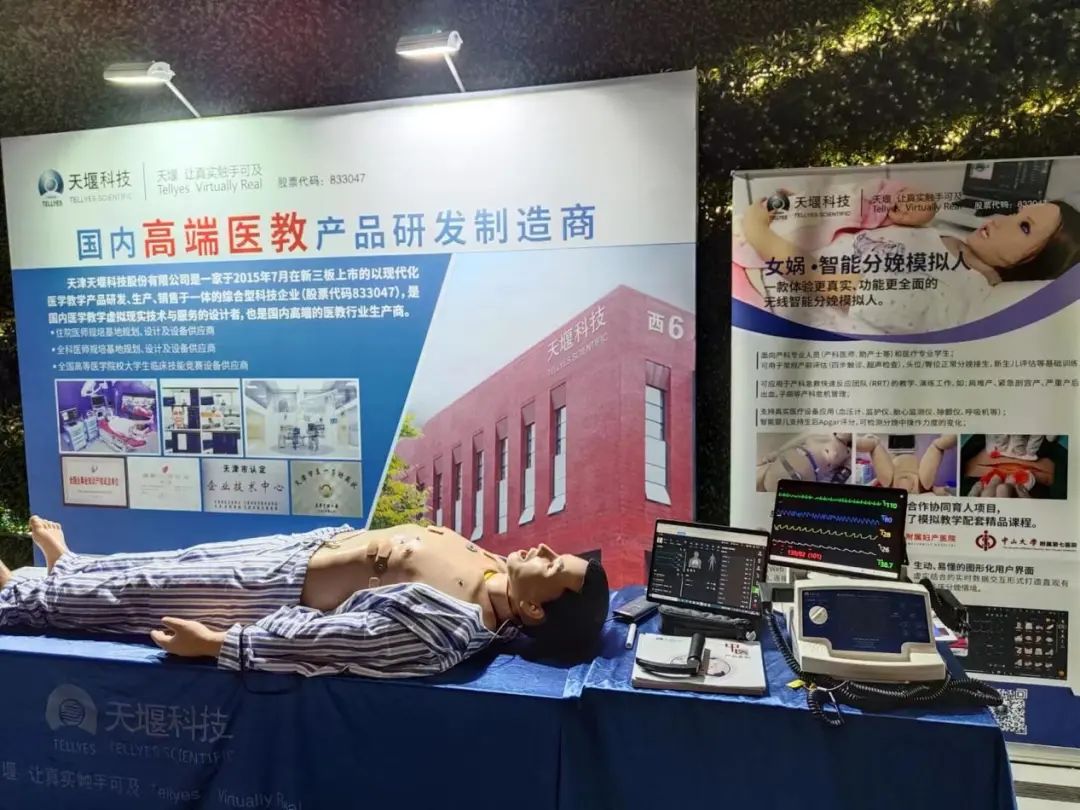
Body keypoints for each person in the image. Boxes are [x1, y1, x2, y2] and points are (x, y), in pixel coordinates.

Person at [0, 518, 610, 678]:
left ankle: (21, 592)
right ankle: (71, 567)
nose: (544, 548)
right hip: (295, 552)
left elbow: (336, 644)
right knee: (167, 562)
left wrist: (220, 644)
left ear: (535, 610)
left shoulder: (448, 628)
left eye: (555, 566)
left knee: (139, 592)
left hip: (264, 594)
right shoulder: (494, 565)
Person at [741, 194, 1080, 334]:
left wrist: (756, 232)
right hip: (772, 263)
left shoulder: (950, 299)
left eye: (1024, 227)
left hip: (765, 297)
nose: (1002, 219)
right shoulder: (955, 240)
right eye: (1018, 212)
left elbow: (825, 283)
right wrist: (918, 208)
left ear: (1034, 262)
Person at [857, 434, 956, 495]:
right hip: (898, 481)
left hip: (915, 481)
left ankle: (873, 444)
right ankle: (937, 446)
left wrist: (937, 489)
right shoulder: (887, 476)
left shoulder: (887, 476)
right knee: (886, 479)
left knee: (926, 482)